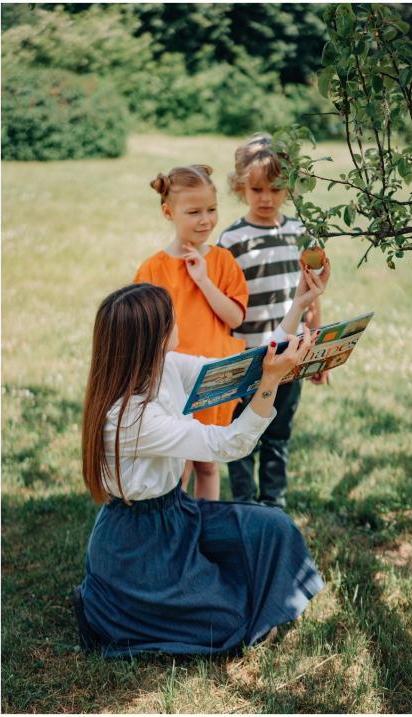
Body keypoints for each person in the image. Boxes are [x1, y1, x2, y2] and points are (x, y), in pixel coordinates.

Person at [74, 262, 330, 658]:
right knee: (226, 624)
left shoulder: (165, 366)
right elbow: (229, 445)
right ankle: (115, 610)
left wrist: (298, 306)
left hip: (178, 513)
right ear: (151, 340)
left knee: (272, 527)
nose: (178, 319)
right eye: (170, 319)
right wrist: (271, 383)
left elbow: (241, 371)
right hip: (137, 544)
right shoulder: (129, 419)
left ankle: (215, 589)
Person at [217, 133, 329, 509]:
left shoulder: (301, 235)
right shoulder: (232, 240)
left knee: (278, 433)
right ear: (240, 187)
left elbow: (312, 295)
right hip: (247, 355)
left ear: (290, 187)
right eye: (257, 189)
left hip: (290, 353)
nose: (266, 198)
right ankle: (246, 505)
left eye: (276, 188)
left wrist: (316, 350)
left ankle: (274, 505)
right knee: (241, 432)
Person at [133, 165, 248, 501]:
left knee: (208, 463)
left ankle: (206, 527)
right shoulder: (153, 269)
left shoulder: (224, 262)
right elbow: (143, 330)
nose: (205, 220)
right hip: (172, 382)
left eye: (212, 210)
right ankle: (177, 527)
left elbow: (235, 316)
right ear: (169, 212)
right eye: (194, 212)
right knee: (178, 464)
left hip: (215, 375)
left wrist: (203, 280)